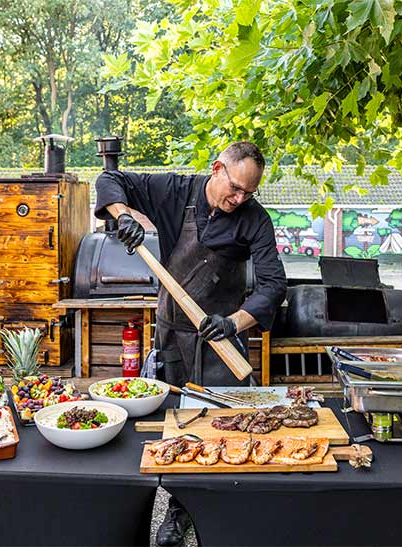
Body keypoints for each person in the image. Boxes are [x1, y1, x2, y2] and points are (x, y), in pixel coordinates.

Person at [95, 141, 287, 546]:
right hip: (170, 332)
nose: (239, 198)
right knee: (171, 429)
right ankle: (174, 512)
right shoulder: (176, 191)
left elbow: (273, 285)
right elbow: (110, 178)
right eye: (235, 187)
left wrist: (233, 323)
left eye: (248, 193)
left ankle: (215, 520)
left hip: (221, 342)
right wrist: (124, 215)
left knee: (222, 431)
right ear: (217, 168)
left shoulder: (254, 220)